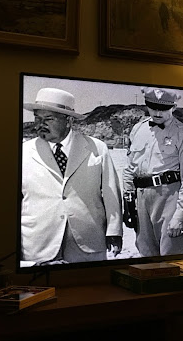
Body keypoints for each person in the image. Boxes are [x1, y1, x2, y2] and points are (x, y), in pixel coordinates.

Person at [20, 87, 123, 266]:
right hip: (38, 245)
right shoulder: (23, 152)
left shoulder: (97, 148)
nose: (40, 124)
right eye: (37, 118)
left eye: (48, 119)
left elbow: (111, 192)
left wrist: (114, 231)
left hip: (87, 244)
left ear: (68, 120)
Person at [122, 87, 183, 256]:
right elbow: (130, 167)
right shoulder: (138, 129)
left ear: (173, 107)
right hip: (141, 197)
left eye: (163, 108)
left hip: (169, 195)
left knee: (170, 252)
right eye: (153, 107)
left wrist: (181, 213)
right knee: (146, 251)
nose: (157, 113)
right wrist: (128, 200)